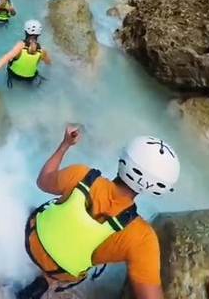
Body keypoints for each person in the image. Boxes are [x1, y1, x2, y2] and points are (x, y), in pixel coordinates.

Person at [16, 127, 181, 299]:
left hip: (31, 236)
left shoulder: (81, 175)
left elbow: (43, 181)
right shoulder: (142, 238)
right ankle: (47, 281)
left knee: (39, 210)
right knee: (69, 269)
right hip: (60, 272)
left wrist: (65, 144)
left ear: (124, 158)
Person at [0, 19, 51, 86]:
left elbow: (5, 59)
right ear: (39, 34)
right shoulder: (42, 50)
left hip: (14, 75)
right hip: (29, 78)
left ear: (26, 32)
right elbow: (49, 63)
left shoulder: (20, 46)